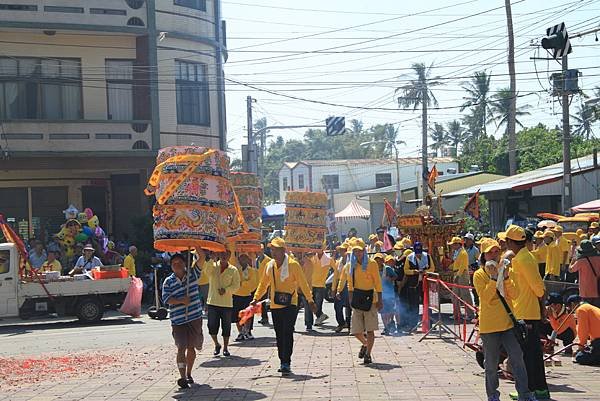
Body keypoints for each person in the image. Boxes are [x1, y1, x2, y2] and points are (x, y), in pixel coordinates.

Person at [473, 239, 536, 401]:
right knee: (491, 365)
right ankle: (493, 396)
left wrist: (506, 277)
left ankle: (525, 394)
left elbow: (515, 295)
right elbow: (486, 298)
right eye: (489, 252)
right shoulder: (479, 274)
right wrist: (494, 279)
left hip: (508, 324)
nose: (494, 255)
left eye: (496, 252)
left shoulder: (508, 269)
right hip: (489, 326)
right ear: (483, 256)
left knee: (517, 359)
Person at [251, 238, 316, 376]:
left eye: (276, 249)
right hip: (275, 305)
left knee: (287, 331)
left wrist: (310, 300)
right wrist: (256, 298)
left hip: (290, 304)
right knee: (279, 334)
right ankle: (282, 361)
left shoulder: (293, 265)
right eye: (272, 249)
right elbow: (263, 284)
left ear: (283, 251)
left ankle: (287, 361)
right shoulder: (270, 265)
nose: (273, 252)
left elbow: (303, 283)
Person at [505, 225, 548, 401]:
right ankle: (536, 390)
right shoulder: (520, 258)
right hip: (523, 311)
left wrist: (542, 307)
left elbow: (539, 288)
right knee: (530, 354)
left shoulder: (524, 260)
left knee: (529, 355)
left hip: (527, 313)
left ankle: (532, 391)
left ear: (510, 242)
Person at [161, 253, 203, 389]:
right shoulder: (168, 281)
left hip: (194, 317)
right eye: (174, 263)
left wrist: (196, 245)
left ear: (185, 264)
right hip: (178, 321)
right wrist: (181, 301)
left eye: (180, 262)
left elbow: (201, 259)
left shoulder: (193, 275)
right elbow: (166, 299)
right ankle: (182, 376)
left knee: (192, 347)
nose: (177, 265)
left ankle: (189, 373)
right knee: (181, 347)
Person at [347, 238, 383, 364]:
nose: (358, 253)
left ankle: (368, 354)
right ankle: (366, 344)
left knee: (370, 329)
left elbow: (378, 282)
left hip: (371, 299)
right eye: (355, 251)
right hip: (357, 298)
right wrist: (350, 299)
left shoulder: (371, 264)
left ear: (364, 251)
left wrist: (380, 299)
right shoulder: (351, 265)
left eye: (360, 251)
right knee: (356, 330)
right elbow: (349, 284)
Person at [204, 248, 240, 357]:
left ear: (230, 256)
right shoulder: (213, 266)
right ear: (219, 254)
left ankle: (225, 347)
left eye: (227, 254)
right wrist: (211, 259)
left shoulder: (233, 270)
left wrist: (226, 290)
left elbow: (236, 286)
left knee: (226, 327)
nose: (224, 256)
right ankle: (216, 344)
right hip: (213, 302)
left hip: (226, 303)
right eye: (222, 254)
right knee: (211, 326)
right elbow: (206, 272)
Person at [403, 242, 435, 328]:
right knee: (413, 304)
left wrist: (425, 272)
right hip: (414, 284)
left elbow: (432, 268)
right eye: (417, 253)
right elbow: (406, 270)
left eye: (420, 253)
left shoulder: (427, 256)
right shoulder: (409, 258)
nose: (418, 255)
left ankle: (429, 323)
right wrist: (414, 272)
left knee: (427, 303)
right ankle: (413, 324)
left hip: (425, 283)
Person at [566, 295, 600, 366]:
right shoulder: (591, 308)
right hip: (597, 341)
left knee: (580, 357)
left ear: (572, 305)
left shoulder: (581, 310)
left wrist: (580, 348)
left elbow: (583, 331)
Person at [233, 253, 258, 341]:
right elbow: (234, 282)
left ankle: (247, 331)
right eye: (241, 258)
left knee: (248, 315)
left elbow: (253, 284)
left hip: (247, 295)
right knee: (237, 315)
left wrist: (242, 284)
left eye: (245, 258)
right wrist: (241, 284)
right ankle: (240, 332)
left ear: (248, 259)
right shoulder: (235, 270)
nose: (243, 260)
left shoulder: (252, 271)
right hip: (236, 295)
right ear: (239, 260)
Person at [448, 236, 474, 321]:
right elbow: (456, 263)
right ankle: (456, 314)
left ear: (457, 244)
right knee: (455, 295)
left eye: (453, 245)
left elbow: (463, 266)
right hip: (457, 273)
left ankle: (470, 314)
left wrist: (458, 275)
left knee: (465, 295)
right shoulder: (457, 252)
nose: (452, 246)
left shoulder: (463, 253)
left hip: (461, 275)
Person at [568, 240, 600, 308]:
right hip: (598, 289)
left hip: (586, 291)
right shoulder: (598, 258)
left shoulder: (581, 261)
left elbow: (570, 270)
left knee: (587, 311)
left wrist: (573, 260)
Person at [310, 247, 332, 326]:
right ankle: (321, 316)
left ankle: (320, 316)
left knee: (318, 304)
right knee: (312, 303)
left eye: (319, 248)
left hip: (321, 285)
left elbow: (335, 268)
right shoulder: (312, 257)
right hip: (312, 284)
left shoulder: (328, 259)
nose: (317, 249)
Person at [332, 242, 351, 333]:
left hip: (348, 285)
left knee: (349, 306)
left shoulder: (351, 262)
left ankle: (350, 325)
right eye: (340, 250)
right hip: (340, 284)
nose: (341, 252)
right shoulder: (338, 262)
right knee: (337, 306)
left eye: (343, 250)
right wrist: (333, 289)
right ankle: (341, 323)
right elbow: (335, 276)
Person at [380, 255, 399, 335]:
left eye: (379, 260)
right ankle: (386, 327)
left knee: (389, 311)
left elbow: (395, 276)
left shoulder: (387, 268)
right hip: (380, 293)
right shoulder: (374, 269)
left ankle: (389, 325)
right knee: (382, 311)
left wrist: (389, 279)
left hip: (389, 293)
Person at [256, 246, 272, 325]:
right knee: (261, 301)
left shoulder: (269, 260)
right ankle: (263, 317)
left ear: (263, 250)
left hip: (266, 284)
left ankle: (265, 317)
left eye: (260, 250)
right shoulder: (256, 260)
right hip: (258, 284)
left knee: (263, 301)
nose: (259, 252)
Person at [193, 248, 211, 313]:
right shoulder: (195, 259)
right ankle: (198, 311)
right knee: (197, 298)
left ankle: (207, 311)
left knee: (207, 298)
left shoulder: (208, 261)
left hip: (205, 282)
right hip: (196, 282)